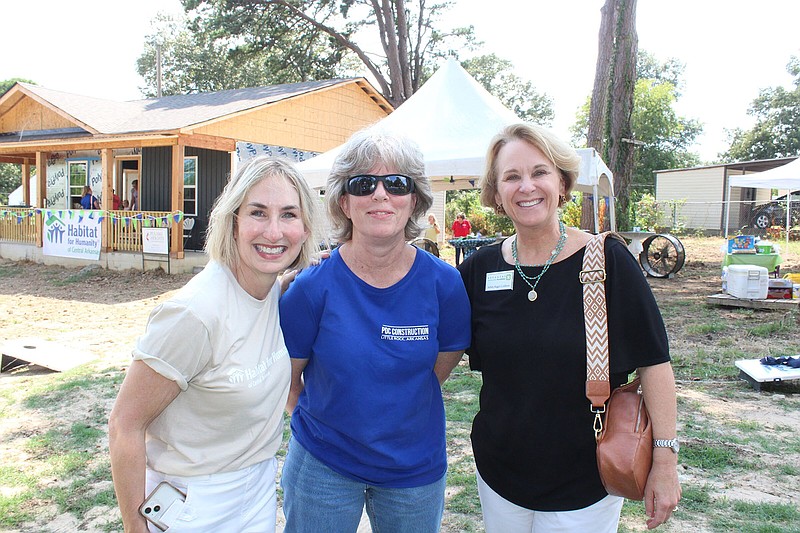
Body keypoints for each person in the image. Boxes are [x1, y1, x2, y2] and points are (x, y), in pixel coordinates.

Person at [457, 123, 681, 532]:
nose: (527, 186)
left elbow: (655, 364)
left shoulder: (609, 261)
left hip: (585, 481)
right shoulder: (478, 269)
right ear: (496, 193)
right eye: (512, 176)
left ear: (562, 183)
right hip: (499, 474)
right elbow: (439, 349)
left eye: (539, 172)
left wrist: (664, 460)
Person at [108, 156, 320, 533]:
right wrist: (134, 528)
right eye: (258, 212)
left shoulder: (273, 292)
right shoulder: (193, 315)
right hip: (192, 502)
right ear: (233, 221)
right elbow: (125, 424)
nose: (274, 232)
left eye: (289, 215)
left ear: (305, 229)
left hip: (257, 488)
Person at [279, 128, 471, 533]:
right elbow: (288, 383)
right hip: (323, 464)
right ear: (344, 202)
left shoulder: (445, 285)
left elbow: (442, 363)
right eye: (364, 184)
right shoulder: (310, 288)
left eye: (397, 183)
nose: (381, 195)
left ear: (414, 199)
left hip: (414, 468)